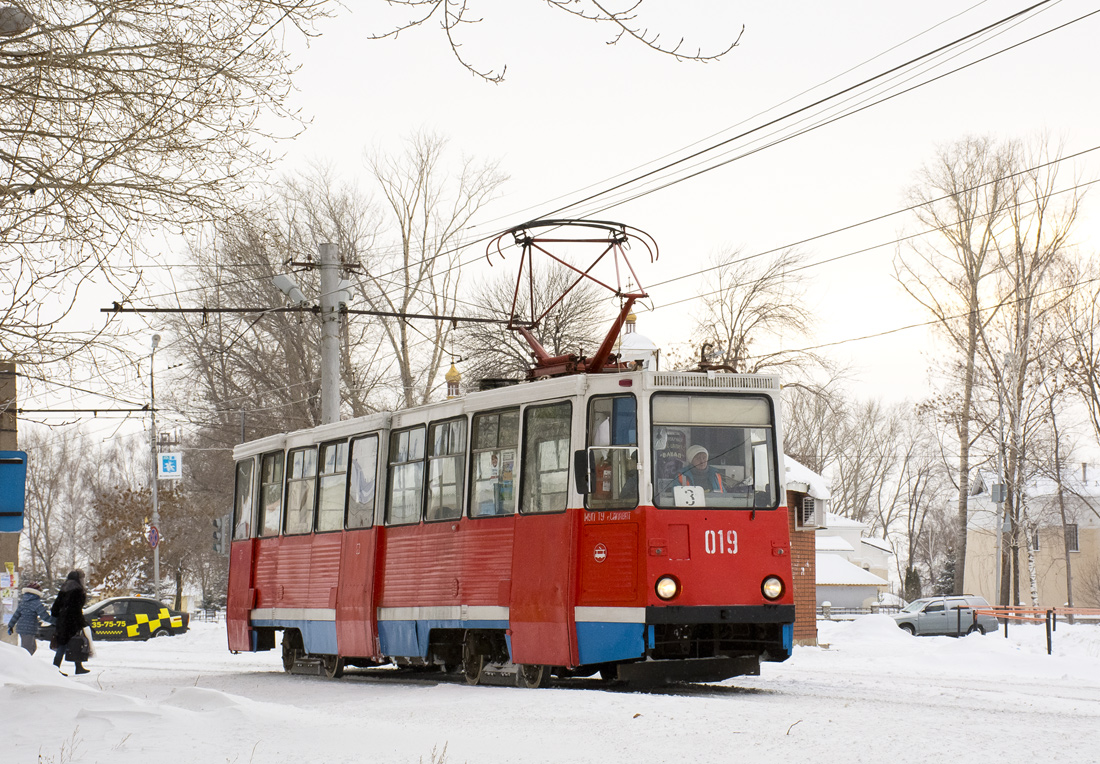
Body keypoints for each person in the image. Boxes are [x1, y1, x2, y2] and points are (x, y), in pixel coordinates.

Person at [50, 570, 89, 675]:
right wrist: (81, 621)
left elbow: (55, 608)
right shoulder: (78, 591)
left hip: (62, 622)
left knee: (63, 644)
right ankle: (76, 667)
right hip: (73, 622)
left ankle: (56, 668)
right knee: (76, 643)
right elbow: (76, 609)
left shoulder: (64, 589)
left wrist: (58, 618)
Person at [7, 580, 54, 655]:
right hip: (28, 629)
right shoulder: (36, 603)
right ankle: (22, 665)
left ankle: (25, 663)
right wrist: (56, 621)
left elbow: (16, 615)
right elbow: (44, 616)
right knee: (27, 651)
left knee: (32, 648)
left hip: (23, 628)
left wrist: (10, 625)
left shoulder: (23, 602)